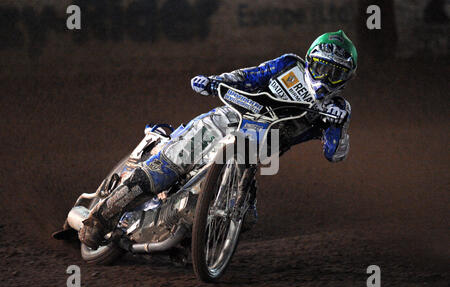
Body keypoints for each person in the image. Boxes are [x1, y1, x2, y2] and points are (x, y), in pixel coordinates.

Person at [79, 30, 357, 249]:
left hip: (255, 151)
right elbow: (249, 76)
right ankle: (99, 219)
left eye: (336, 73)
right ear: (310, 60)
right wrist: (214, 81)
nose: (326, 77)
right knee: (175, 161)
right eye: (322, 67)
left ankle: (192, 242)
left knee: (245, 218)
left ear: (346, 78)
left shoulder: (338, 109)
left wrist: (339, 125)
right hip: (228, 119)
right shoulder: (288, 65)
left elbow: (334, 154)